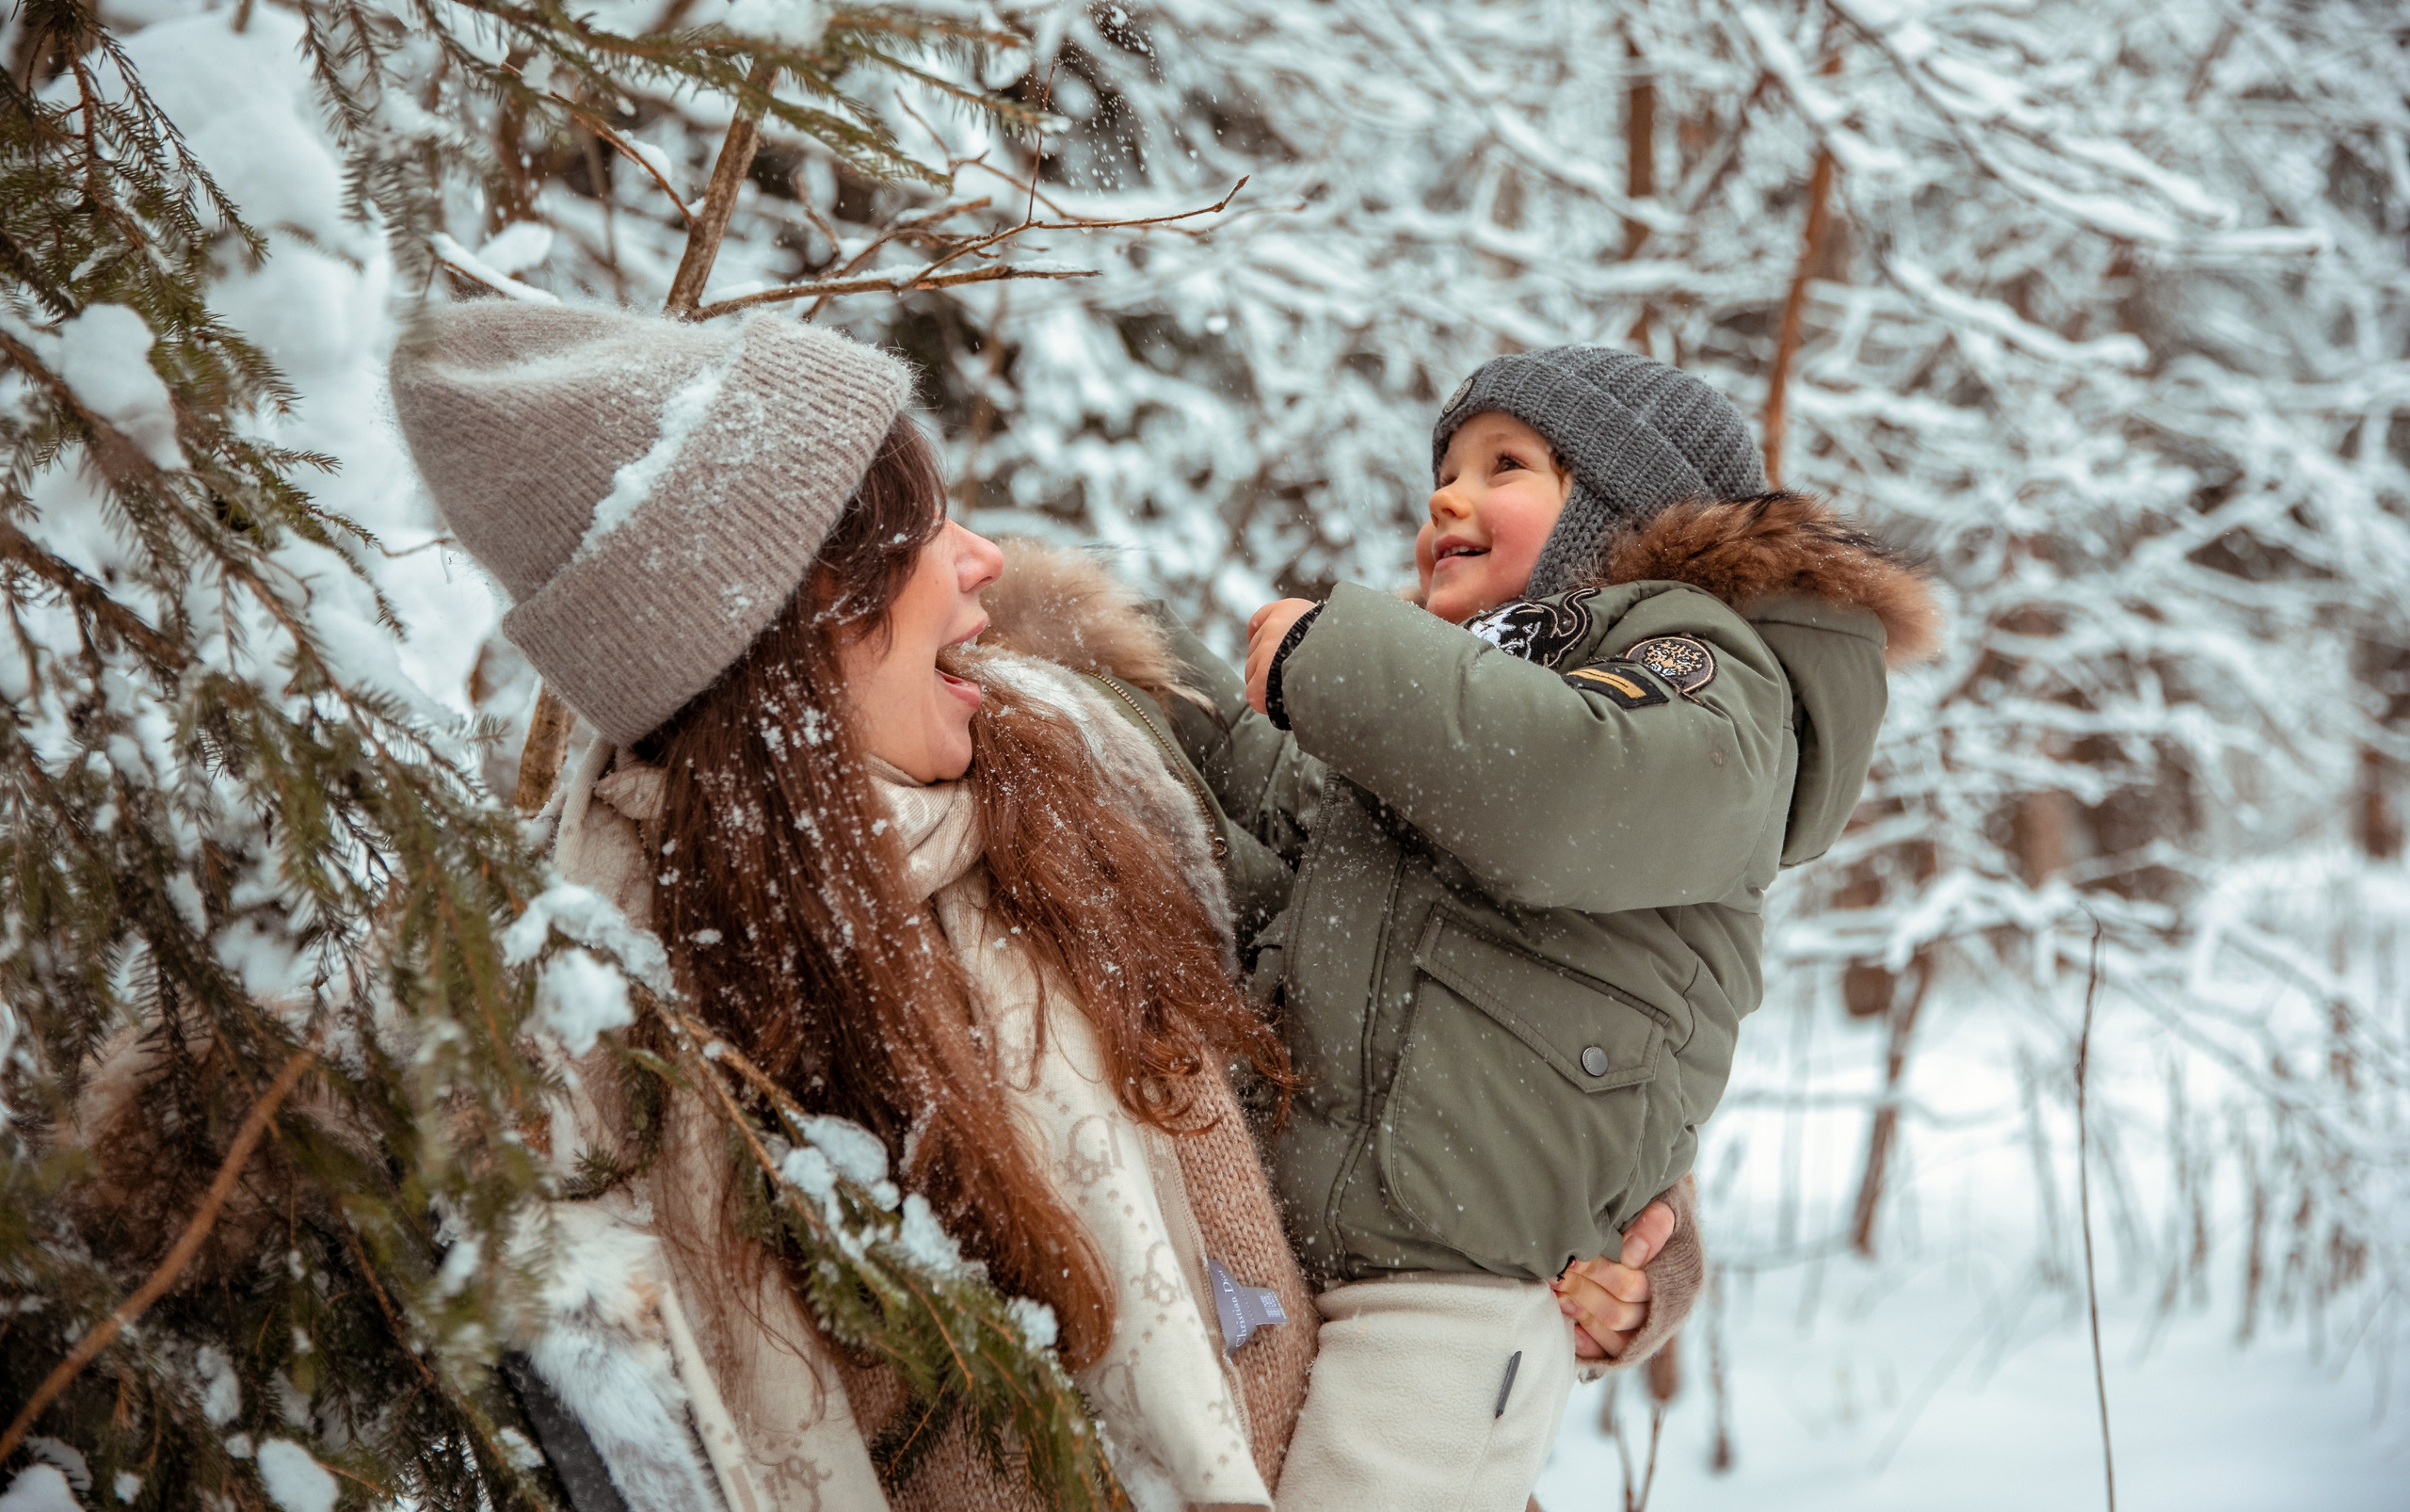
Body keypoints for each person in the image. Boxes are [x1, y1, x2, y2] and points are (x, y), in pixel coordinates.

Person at [385, 305, 1692, 1512]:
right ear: (789, 611)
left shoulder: (1102, 761)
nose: (983, 560)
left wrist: (1618, 1242)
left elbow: (1429, 985)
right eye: (916, 533)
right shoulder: (630, 1015)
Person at [1158, 346, 1940, 1511]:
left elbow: (1573, 789)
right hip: (1305, 1243)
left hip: (1448, 1289)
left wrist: (1337, 662)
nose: (1446, 499)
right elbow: (1277, 824)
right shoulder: (1447, 724)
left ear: (1620, 513)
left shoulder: (1692, 665)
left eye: (1503, 467)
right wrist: (1124, 659)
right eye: (1443, 474)